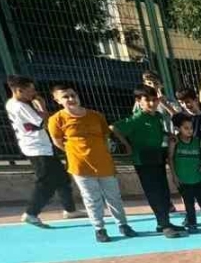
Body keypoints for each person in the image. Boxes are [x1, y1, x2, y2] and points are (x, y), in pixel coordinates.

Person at [46, 83, 136, 244]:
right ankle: (99, 228)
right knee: (92, 198)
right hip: (81, 166)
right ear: (57, 100)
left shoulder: (96, 115)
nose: (71, 99)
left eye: (73, 95)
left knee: (114, 196)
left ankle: (123, 225)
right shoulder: (56, 120)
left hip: (104, 163)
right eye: (65, 97)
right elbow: (58, 141)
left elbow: (105, 136)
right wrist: (75, 152)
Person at [5, 74, 83, 226]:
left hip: (42, 145)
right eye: (30, 90)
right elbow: (44, 122)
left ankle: (70, 210)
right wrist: (42, 106)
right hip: (37, 148)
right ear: (19, 90)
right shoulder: (20, 106)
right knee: (46, 182)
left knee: (62, 178)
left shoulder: (12, 103)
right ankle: (31, 213)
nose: (34, 93)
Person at [111, 89, 183, 238]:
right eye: (147, 100)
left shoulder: (157, 116)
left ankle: (163, 222)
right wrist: (126, 144)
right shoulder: (136, 119)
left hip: (157, 157)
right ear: (139, 101)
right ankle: (164, 225)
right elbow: (114, 128)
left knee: (164, 191)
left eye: (154, 100)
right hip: (143, 160)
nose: (152, 103)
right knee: (154, 193)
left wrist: (168, 134)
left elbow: (158, 131)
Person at [169, 112, 201, 232]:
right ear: (178, 128)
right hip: (184, 180)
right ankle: (192, 224)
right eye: (186, 128)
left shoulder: (197, 141)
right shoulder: (174, 142)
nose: (190, 131)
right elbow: (170, 159)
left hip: (198, 179)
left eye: (191, 128)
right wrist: (174, 176)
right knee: (189, 205)